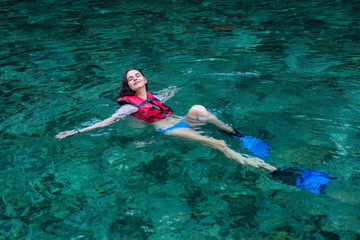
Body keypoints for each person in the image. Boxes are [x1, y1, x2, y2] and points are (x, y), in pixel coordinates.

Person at [56, 68, 276, 172]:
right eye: (130, 79)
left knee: (198, 109)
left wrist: (190, 78)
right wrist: (75, 132)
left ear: (144, 79)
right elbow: (107, 121)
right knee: (218, 145)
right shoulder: (129, 105)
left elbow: (170, 93)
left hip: (180, 120)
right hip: (168, 130)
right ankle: (265, 168)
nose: (135, 79)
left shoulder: (155, 97)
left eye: (137, 76)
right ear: (129, 86)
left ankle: (235, 134)